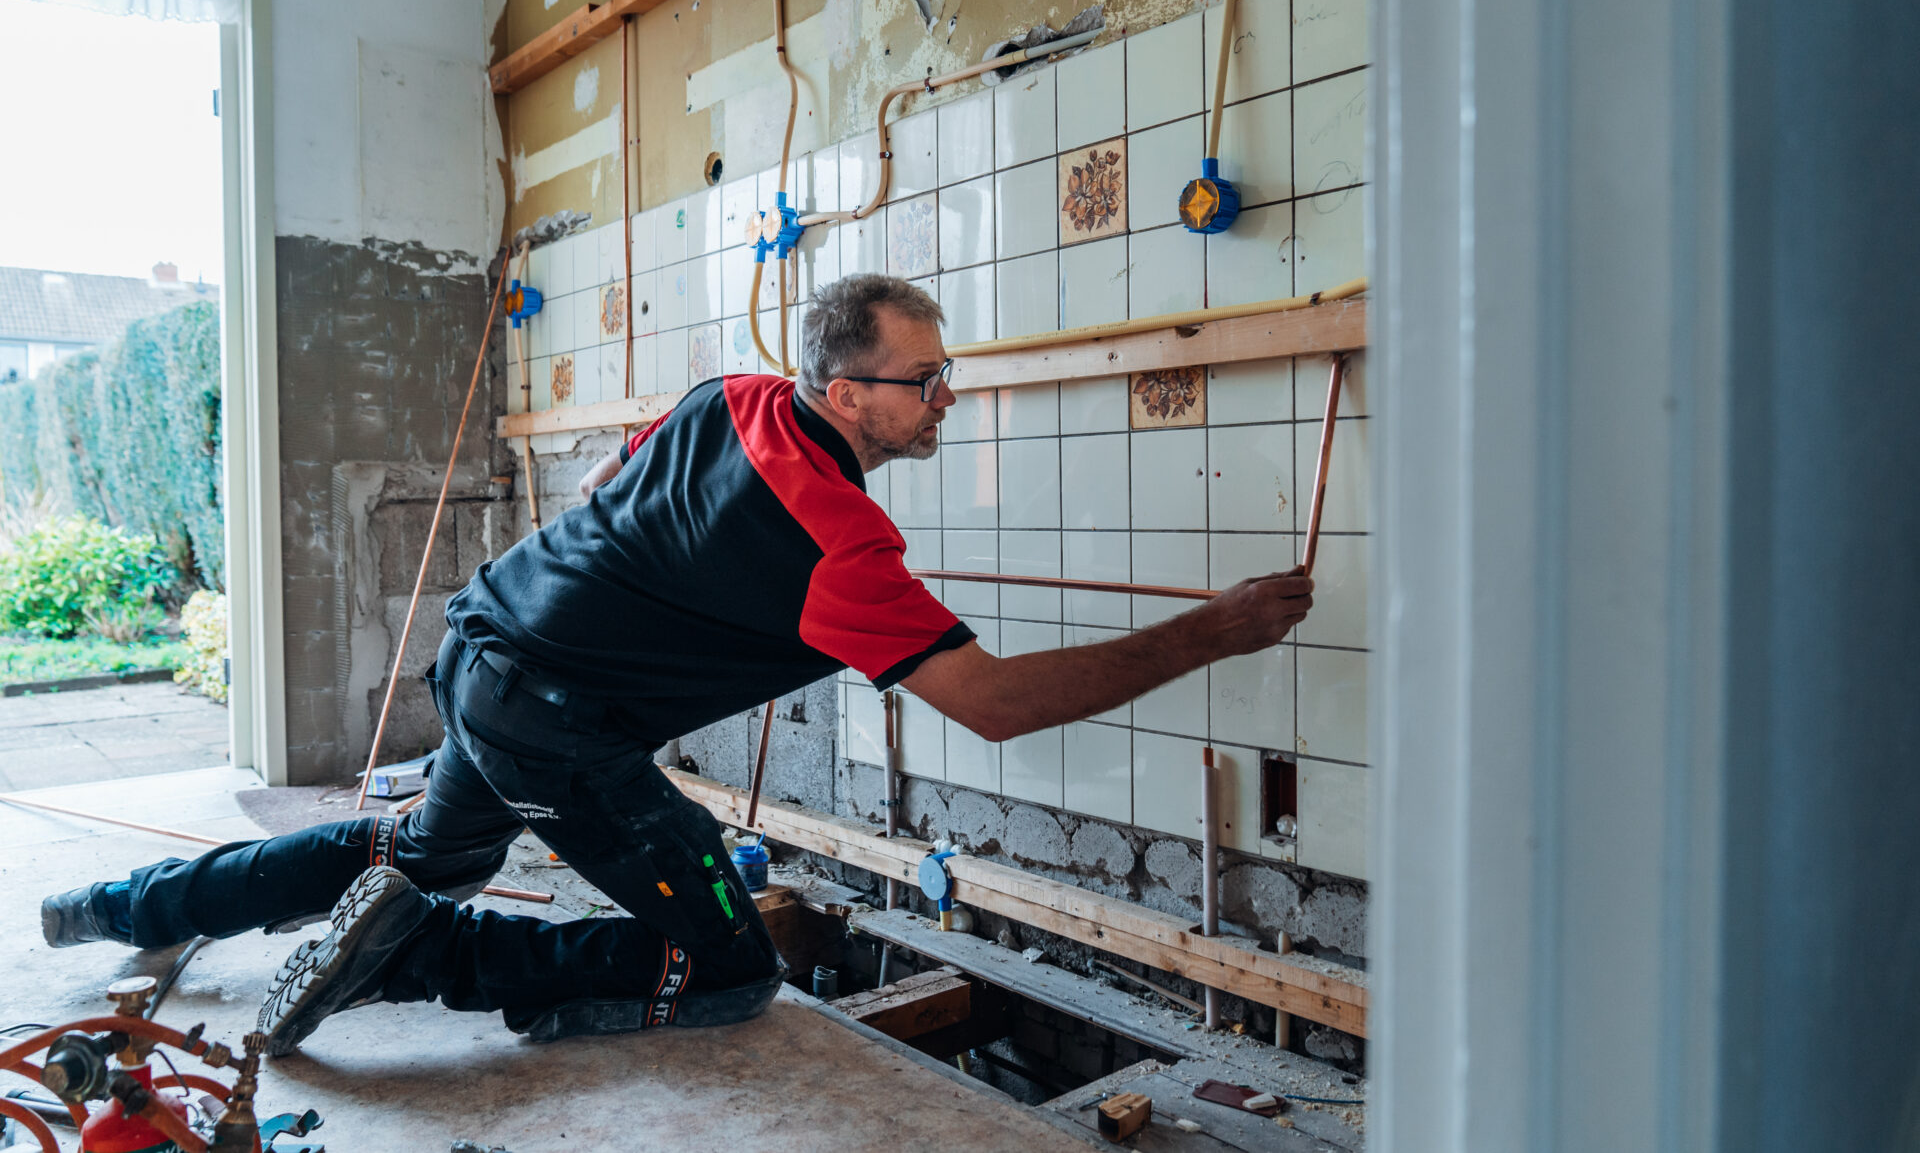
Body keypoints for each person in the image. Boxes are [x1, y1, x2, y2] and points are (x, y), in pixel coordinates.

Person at [40, 273, 1313, 1055]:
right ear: (843, 387)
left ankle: (116, 908)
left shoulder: (731, 396)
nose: (945, 401)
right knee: (727, 972)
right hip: (550, 717)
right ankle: (420, 954)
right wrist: (1213, 628)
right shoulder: (841, 544)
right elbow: (994, 708)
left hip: (482, 645)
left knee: (428, 848)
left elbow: (607, 487)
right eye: (923, 382)